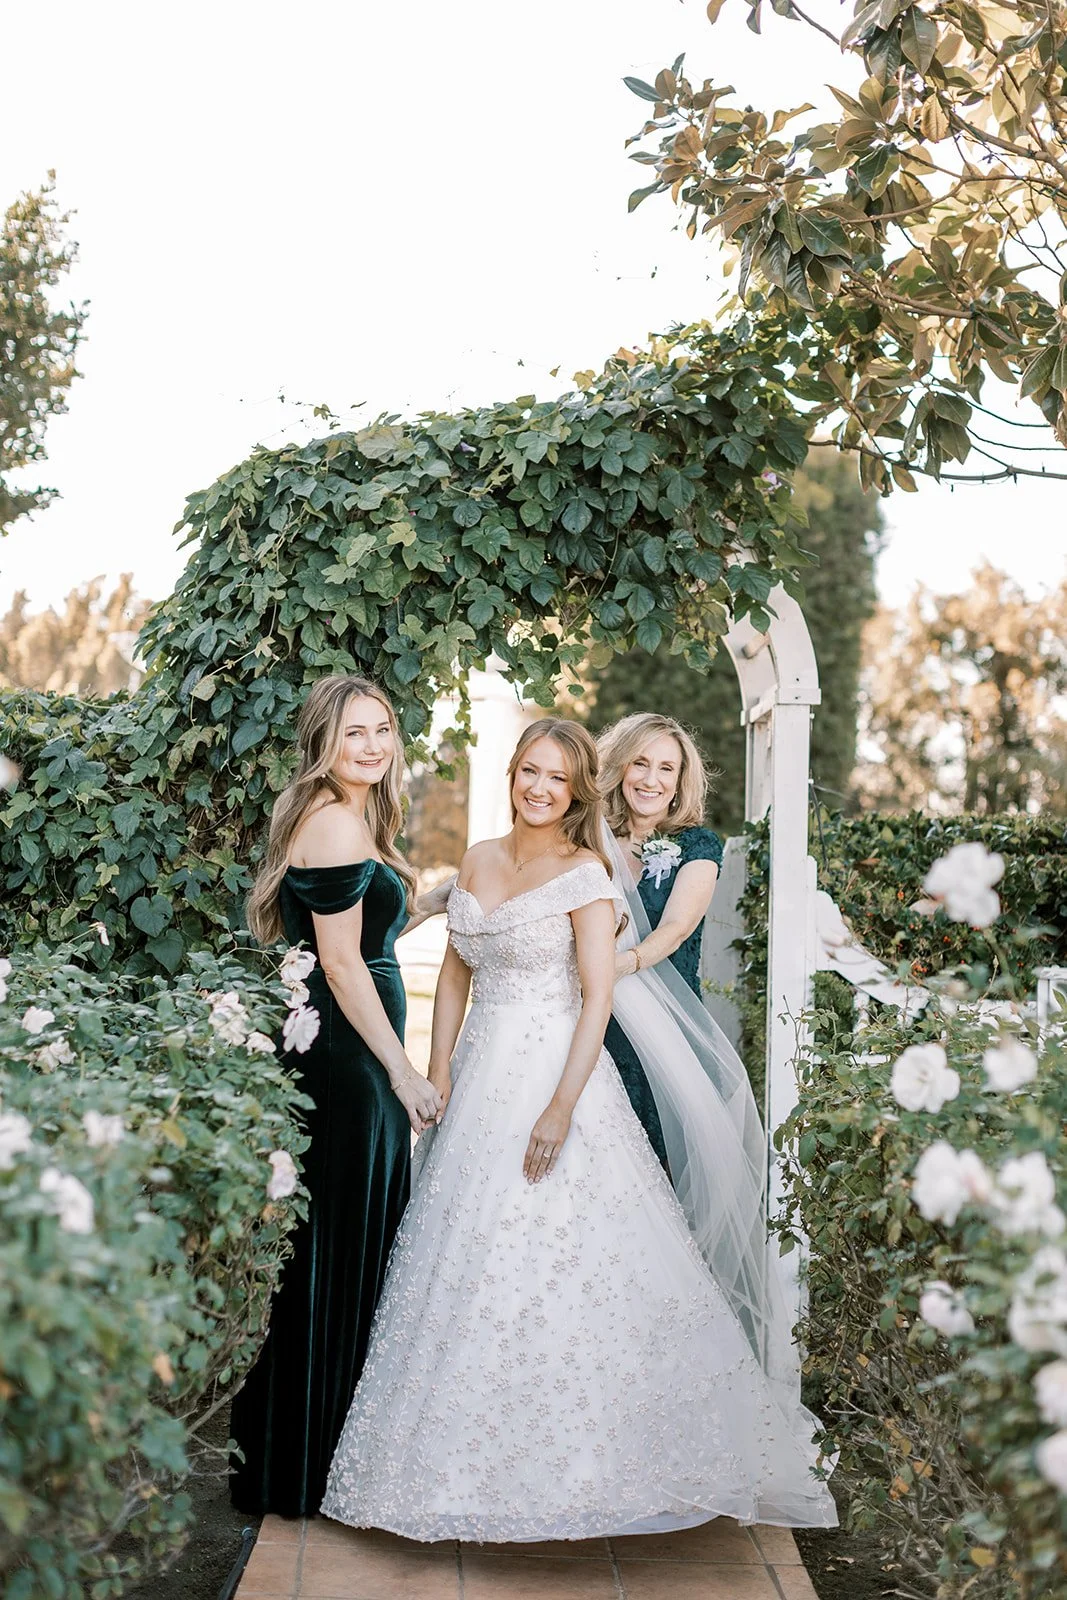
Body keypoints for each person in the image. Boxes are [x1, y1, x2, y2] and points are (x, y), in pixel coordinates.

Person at [320, 718, 836, 1540]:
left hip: (558, 1081)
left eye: (556, 779)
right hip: (479, 1084)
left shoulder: (585, 872)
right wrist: (439, 1066)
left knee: (575, 1258)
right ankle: (458, 1472)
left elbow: (597, 996)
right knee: (466, 1261)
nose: (537, 788)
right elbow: (455, 971)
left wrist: (561, 1106)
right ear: (513, 774)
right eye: (528, 771)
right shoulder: (481, 858)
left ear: (576, 791)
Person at [230, 675, 443, 1517]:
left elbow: (369, 938)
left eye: (382, 729)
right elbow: (344, 965)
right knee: (338, 1249)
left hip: (356, 1048)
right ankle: (307, 1464)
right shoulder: (333, 816)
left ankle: (320, 1456)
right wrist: (403, 1069)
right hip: (352, 1064)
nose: (372, 746)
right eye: (354, 732)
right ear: (324, 738)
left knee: (345, 1243)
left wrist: (436, 904)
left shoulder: (353, 817)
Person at [597, 713, 722, 1173]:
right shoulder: (588, 837)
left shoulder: (698, 846)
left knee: (659, 1172)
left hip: (668, 1025)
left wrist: (619, 964)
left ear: (680, 780)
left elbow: (678, 927)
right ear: (619, 769)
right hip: (595, 1024)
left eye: (666, 769)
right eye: (640, 763)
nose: (651, 780)